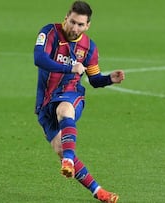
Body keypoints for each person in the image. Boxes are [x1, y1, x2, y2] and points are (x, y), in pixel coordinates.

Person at [33, 1, 125, 202]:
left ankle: (68, 159)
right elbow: (39, 58)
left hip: (71, 93)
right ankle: (99, 191)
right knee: (60, 148)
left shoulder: (89, 48)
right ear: (66, 18)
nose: (75, 28)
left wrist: (109, 79)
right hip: (45, 101)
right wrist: (70, 68)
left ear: (87, 26)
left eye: (80, 25)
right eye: (72, 22)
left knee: (65, 110)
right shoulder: (49, 32)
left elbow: (94, 79)